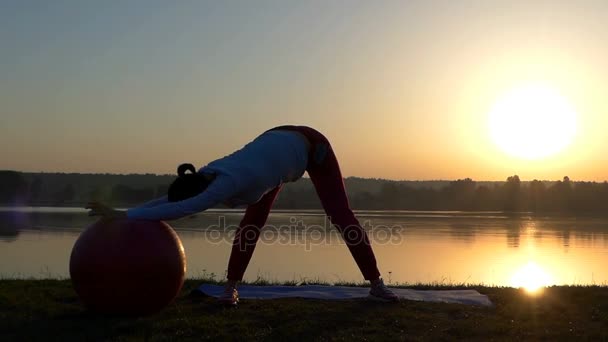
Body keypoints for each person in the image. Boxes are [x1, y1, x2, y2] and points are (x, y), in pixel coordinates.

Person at [87, 125, 399, 305]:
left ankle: (377, 285)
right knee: (253, 223)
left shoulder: (225, 183)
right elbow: (172, 198)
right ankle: (230, 288)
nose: (201, 208)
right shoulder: (206, 174)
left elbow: (180, 208)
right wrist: (121, 213)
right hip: (274, 151)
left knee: (340, 215)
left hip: (311, 146)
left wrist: (124, 216)